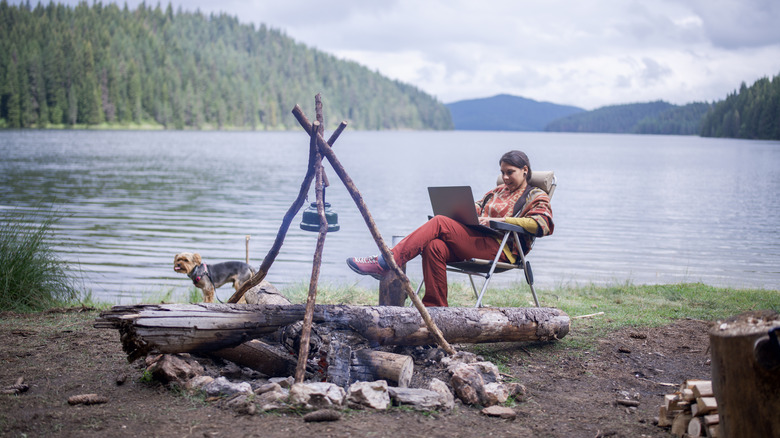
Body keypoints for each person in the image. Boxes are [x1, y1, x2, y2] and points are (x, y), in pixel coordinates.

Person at [346, 150, 554, 307]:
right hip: (477, 241)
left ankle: (386, 262)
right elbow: (477, 208)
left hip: (502, 249)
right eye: (502, 173)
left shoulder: (536, 196)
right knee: (434, 246)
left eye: (510, 172)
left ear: (525, 170)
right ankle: (436, 308)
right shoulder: (497, 192)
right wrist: (462, 211)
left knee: (439, 222)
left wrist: (498, 221)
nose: (505, 177)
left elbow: (542, 224)